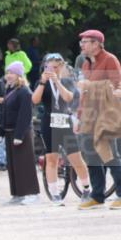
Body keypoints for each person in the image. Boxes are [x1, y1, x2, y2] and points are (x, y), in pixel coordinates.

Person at [32, 53, 90, 204]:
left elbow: (69, 98)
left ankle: (86, 188)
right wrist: (43, 82)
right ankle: (55, 194)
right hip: (49, 122)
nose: (52, 70)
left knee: (75, 157)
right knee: (51, 159)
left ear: (62, 67)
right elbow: (35, 100)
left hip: (64, 121)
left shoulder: (67, 80)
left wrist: (57, 82)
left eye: (55, 67)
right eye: (48, 67)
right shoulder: (42, 81)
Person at [74, 29, 121, 209]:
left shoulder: (110, 60)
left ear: (97, 44)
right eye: (82, 43)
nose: (82, 45)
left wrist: (90, 85)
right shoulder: (86, 64)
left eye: (85, 42)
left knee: (110, 155)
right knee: (90, 155)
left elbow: (117, 88)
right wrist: (79, 116)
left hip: (107, 114)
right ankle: (97, 196)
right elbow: (83, 94)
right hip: (89, 115)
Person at [1, 62, 40, 205]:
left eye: (11, 73)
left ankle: (32, 193)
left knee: (25, 163)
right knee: (13, 164)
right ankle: (18, 193)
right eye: (7, 73)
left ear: (19, 75)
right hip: (10, 131)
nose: (8, 76)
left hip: (21, 132)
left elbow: (25, 115)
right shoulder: (10, 90)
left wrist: (19, 135)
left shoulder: (24, 91)